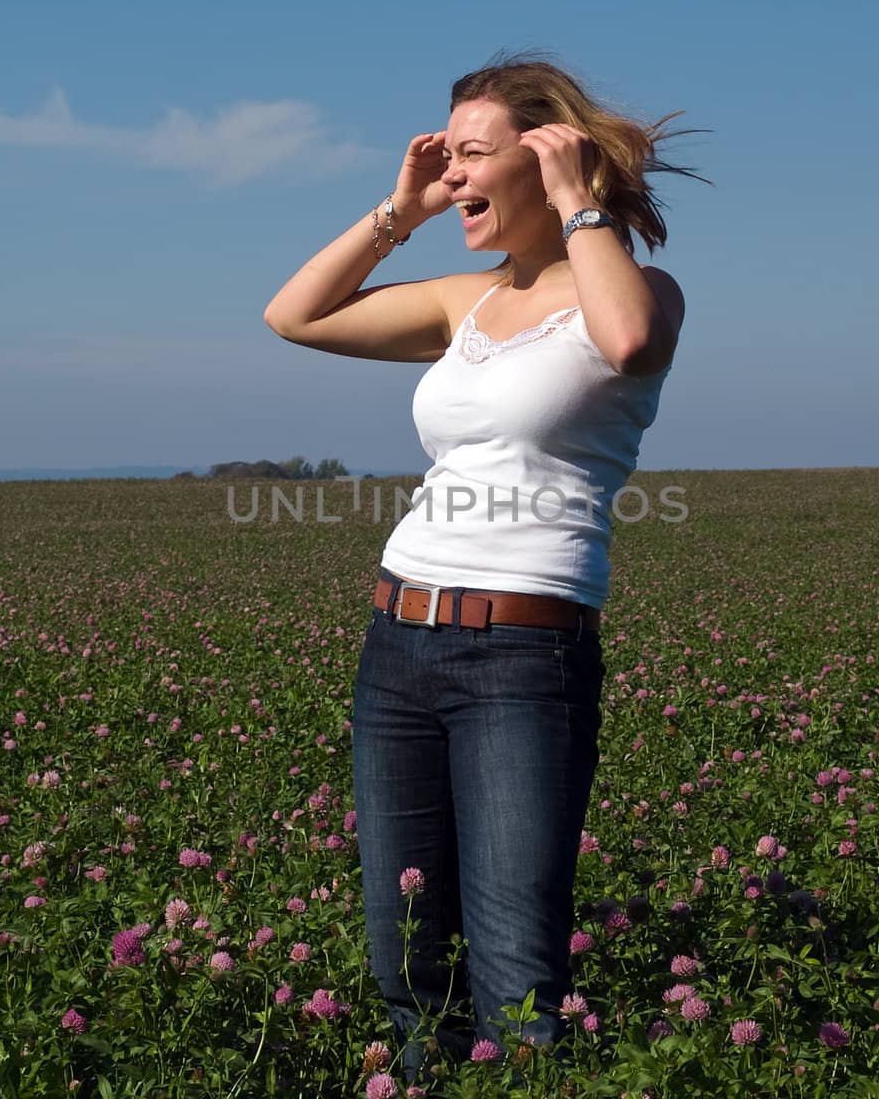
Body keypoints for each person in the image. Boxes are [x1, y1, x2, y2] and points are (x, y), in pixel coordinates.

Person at [264, 54, 702, 1081]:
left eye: (471, 156)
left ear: (547, 156)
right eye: (446, 156)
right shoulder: (461, 303)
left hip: (521, 652)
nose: (454, 175)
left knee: (514, 964)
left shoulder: (636, 293)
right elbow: (295, 316)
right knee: (406, 952)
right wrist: (398, 210)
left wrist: (580, 201)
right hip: (398, 643)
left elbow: (630, 341)